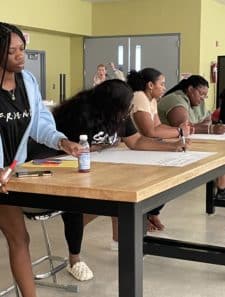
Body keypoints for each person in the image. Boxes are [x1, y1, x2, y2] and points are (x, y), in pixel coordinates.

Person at [28, 79, 190, 269]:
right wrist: (101, 146)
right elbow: (68, 149)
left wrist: (171, 147)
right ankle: (75, 258)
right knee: (79, 208)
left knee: (125, 186)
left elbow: (136, 141)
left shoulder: (120, 113)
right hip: (66, 168)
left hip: (99, 165)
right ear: (110, 105)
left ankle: (118, 239)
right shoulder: (81, 113)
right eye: (125, 107)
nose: (128, 111)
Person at [0, 22, 82, 297]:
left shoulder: (28, 82)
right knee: (18, 237)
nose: (20, 56)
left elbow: (38, 125)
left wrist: (61, 141)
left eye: (22, 49)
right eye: (12, 51)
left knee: (19, 238)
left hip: (10, 177)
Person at [126, 68, 191, 232]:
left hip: (148, 147)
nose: (164, 87)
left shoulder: (152, 100)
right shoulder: (139, 97)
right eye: (161, 84)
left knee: (166, 178)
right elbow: (150, 132)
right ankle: (145, 215)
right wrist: (179, 132)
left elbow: (158, 126)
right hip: (135, 149)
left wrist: (179, 131)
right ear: (150, 85)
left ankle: (153, 212)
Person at [157, 75, 225, 201]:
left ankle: (221, 189)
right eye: (201, 94)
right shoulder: (175, 100)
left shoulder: (199, 102)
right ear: (190, 89)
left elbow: (207, 120)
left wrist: (200, 127)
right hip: (167, 147)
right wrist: (209, 130)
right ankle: (221, 189)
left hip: (189, 143)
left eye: (205, 95)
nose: (203, 98)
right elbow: (184, 127)